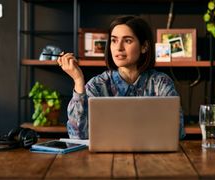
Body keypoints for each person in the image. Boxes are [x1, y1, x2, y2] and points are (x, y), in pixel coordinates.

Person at [57, 15, 185, 140]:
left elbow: (177, 131)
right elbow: (77, 136)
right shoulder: (97, 85)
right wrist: (78, 81)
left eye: (127, 41)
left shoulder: (161, 83)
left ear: (144, 47)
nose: (119, 48)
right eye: (114, 40)